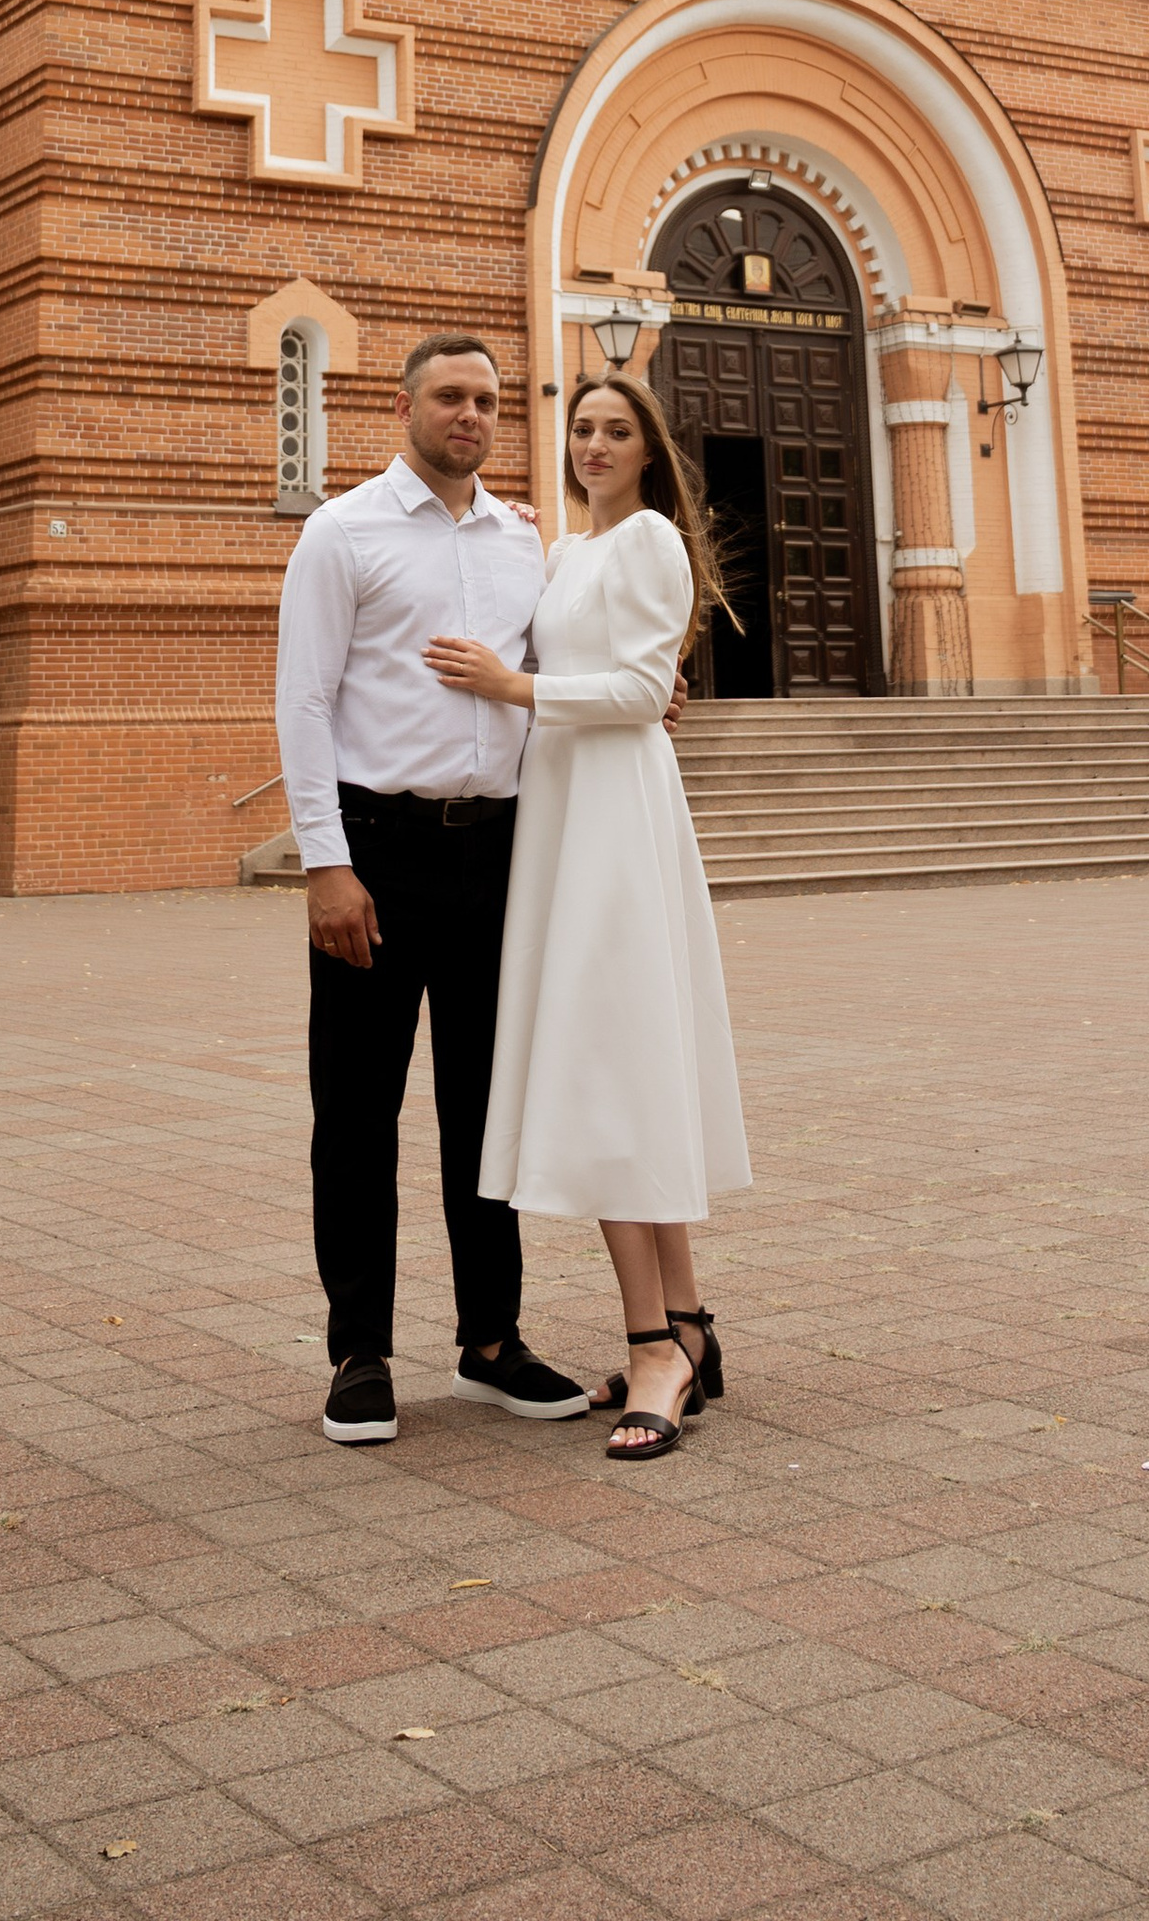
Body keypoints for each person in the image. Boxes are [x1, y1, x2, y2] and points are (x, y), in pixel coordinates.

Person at [426, 369, 750, 1461]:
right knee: (623, 1055)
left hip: (615, 811)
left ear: (649, 448)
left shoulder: (653, 537)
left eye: (616, 430)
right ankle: (694, 1325)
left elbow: (636, 685)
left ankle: (652, 1340)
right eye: (581, 429)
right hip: (561, 812)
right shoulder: (563, 551)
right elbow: (581, 654)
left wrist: (509, 686)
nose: (595, 443)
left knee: (617, 1059)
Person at [274, 333, 589, 1444]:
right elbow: (304, 703)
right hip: (374, 848)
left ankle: (490, 1340)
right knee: (356, 1109)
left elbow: (549, 678)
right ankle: (359, 1352)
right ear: (404, 403)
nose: (471, 414)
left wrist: (642, 694)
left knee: (485, 1109)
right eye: (451, 396)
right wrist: (325, 862)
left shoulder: (521, 540)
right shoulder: (342, 530)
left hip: (493, 854)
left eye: (488, 400)